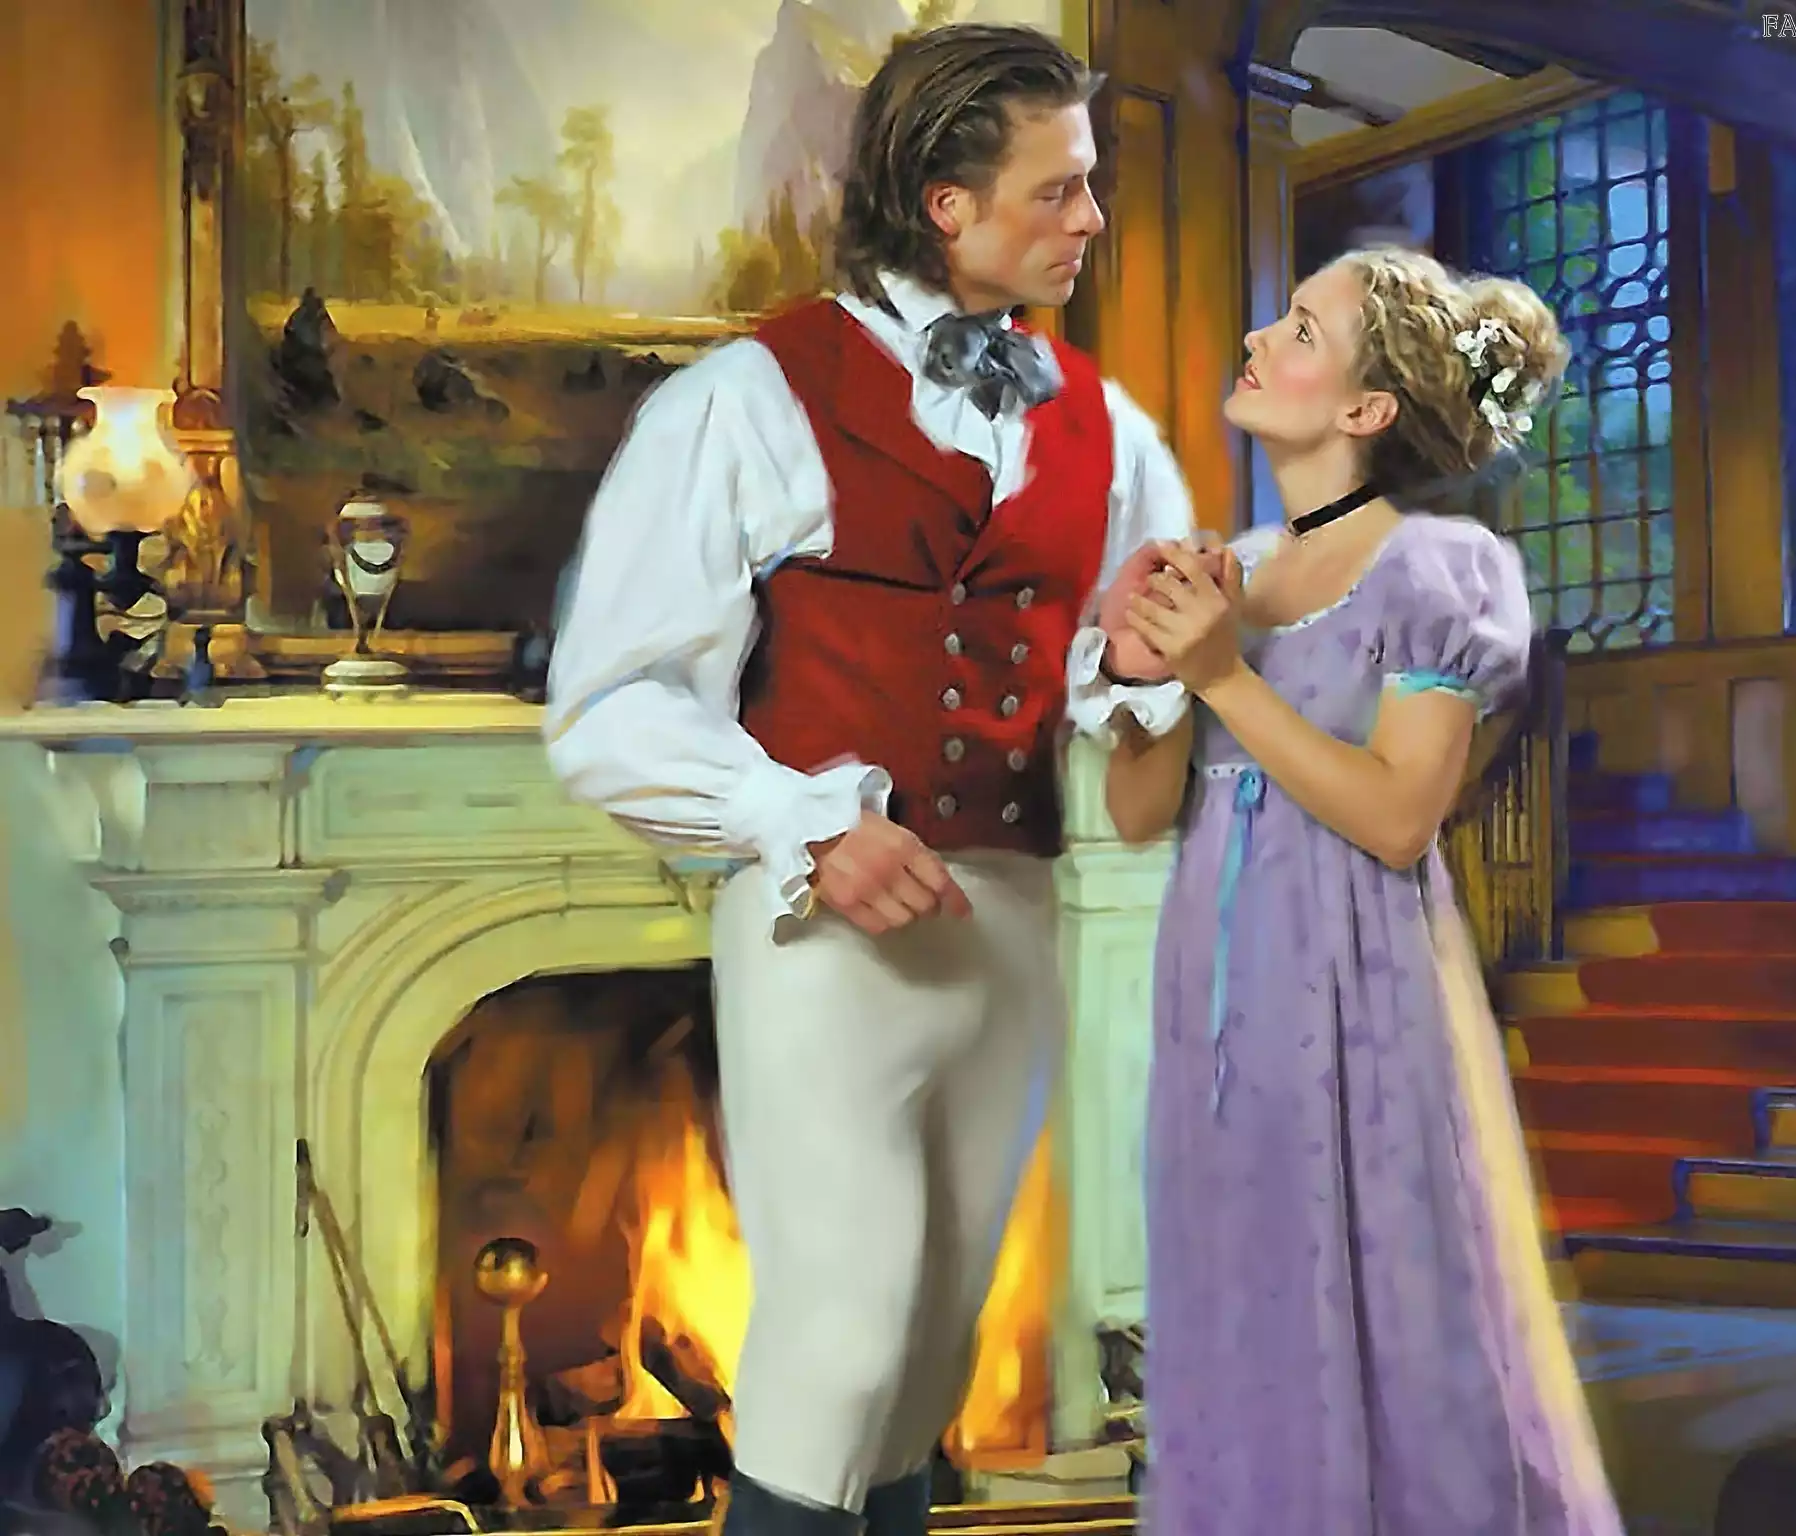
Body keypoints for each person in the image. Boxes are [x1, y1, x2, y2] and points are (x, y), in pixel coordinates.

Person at [542, 23, 1192, 1536]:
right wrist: (807, 822)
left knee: (925, 1362)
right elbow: (610, 706)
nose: (1093, 220)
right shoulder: (745, 400)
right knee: (837, 1346)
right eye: (1060, 189)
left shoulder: (1109, 429)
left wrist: (1160, 667)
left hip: (1013, 933)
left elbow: (1129, 693)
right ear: (948, 204)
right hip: (823, 935)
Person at [1075, 246, 1625, 1534]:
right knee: (1241, 1303)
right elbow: (1139, 813)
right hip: (1220, 1006)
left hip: (1360, 993)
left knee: (1389, 1307)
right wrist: (1143, 670)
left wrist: (1221, 675)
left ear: (1367, 408)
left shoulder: (1436, 570)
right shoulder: (1230, 570)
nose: (1259, 340)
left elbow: (1396, 816)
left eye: (1301, 330)